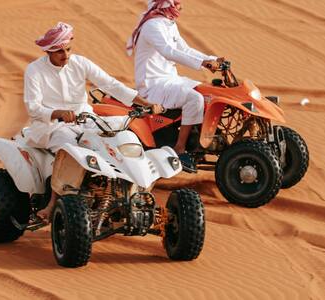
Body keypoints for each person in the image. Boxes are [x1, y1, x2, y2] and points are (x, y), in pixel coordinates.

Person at [23, 22, 162, 221]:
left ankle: (133, 194)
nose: (66, 55)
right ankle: (53, 202)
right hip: (52, 126)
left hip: (86, 120)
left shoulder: (80, 63)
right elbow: (33, 108)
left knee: (123, 135)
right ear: (49, 52)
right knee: (68, 148)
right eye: (60, 51)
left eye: (68, 49)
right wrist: (58, 113)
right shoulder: (34, 71)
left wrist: (145, 103)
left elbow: (110, 84)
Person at [127, 0, 225, 173]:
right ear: (166, 4)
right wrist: (203, 62)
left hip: (171, 79)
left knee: (208, 92)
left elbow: (184, 49)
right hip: (153, 85)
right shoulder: (152, 26)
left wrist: (212, 59)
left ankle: (201, 138)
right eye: (177, 2)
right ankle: (179, 149)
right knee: (194, 98)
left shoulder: (168, 24)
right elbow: (168, 51)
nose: (181, 6)